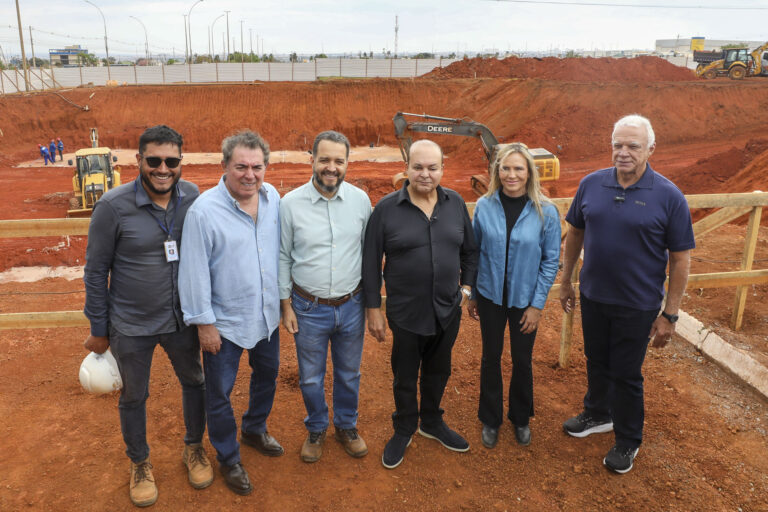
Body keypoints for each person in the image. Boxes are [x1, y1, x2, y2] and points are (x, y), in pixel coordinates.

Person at [83, 125, 212, 507]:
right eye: (153, 160)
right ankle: (139, 462)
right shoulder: (112, 206)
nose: (163, 169)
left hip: (180, 320)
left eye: (171, 161)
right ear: (138, 160)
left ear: (180, 163)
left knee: (195, 382)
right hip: (131, 325)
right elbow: (95, 271)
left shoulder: (191, 196)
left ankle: (194, 448)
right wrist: (98, 328)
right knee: (134, 396)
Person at [559, 114, 694, 474]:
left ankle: (628, 439)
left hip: (638, 304)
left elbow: (680, 260)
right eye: (618, 144)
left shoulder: (669, 196)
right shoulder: (591, 185)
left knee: (626, 373)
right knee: (596, 359)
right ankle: (598, 413)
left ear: (650, 149)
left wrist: (670, 314)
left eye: (633, 146)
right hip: (594, 296)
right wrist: (566, 280)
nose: (623, 152)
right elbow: (575, 234)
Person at [363, 139, 478, 469]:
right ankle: (404, 428)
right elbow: (371, 262)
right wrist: (373, 310)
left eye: (432, 167)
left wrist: (465, 290)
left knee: (438, 370)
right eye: (418, 167)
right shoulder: (386, 209)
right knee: (404, 374)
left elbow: (469, 251)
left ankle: (431, 421)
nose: (425, 174)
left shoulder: (455, 203)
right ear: (406, 168)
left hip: (447, 309)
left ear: (443, 169)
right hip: (405, 312)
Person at [179, 130, 282, 496]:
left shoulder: (273, 199)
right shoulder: (204, 212)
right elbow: (192, 272)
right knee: (219, 393)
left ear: (266, 168)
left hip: (267, 317)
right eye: (241, 166)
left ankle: (254, 428)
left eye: (256, 167)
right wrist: (205, 324)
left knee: (266, 377)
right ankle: (228, 457)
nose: (249, 175)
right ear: (225, 166)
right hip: (224, 324)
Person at [279, 130, 372, 463]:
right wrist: (286, 305)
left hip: (351, 305)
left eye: (338, 161)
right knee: (310, 377)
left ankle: (346, 425)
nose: (331, 167)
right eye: (324, 160)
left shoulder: (361, 201)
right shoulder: (289, 204)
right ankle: (317, 426)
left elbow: (369, 254)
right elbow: (283, 256)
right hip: (308, 308)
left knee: (350, 373)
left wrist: (373, 304)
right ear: (312, 160)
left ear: (347, 163)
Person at [467, 143, 561, 449]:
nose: (511, 175)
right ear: (497, 171)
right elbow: (475, 251)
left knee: (522, 360)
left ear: (529, 172)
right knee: (490, 358)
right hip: (491, 297)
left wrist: (537, 305)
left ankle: (520, 418)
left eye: (518, 168)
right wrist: (473, 295)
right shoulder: (484, 205)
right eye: (505, 168)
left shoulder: (545, 211)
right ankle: (490, 419)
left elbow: (550, 261)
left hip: (525, 302)